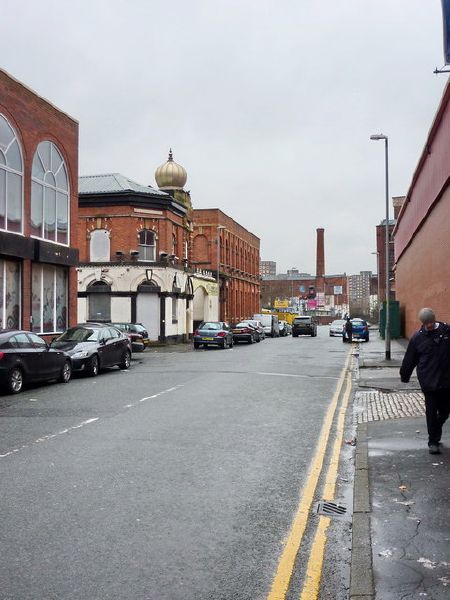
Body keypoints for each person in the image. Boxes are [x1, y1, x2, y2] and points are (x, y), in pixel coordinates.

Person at [400, 308, 450, 454]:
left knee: (445, 412)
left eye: (430, 322)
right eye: (425, 323)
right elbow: (410, 359)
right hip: (429, 381)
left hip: (447, 380)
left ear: (434, 320)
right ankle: (432, 441)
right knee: (431, 412)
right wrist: (405, 375)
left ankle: (436, 429)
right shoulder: (418, 338)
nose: (428, 325)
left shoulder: (447, 331)